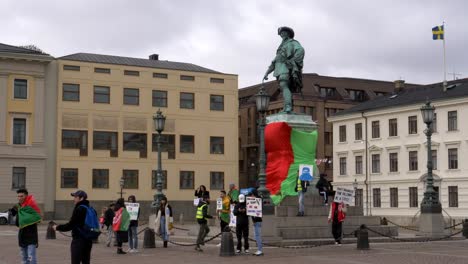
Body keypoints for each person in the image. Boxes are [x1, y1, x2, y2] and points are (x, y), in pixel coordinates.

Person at [263, 26, 305, 113]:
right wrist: (267, 72)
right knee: (284, 88)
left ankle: (288, 107)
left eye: (283, 32)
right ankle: (286, 107)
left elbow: (301, 50)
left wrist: (293, 61)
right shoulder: (281, 46)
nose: (282, 34)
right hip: (279, 69)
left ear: (288, 34)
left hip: (285, 68)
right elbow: (274, 61)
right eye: (281, 34)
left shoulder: (292, 42)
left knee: (284, 85)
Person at [53, 190, 94, 264]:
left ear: (81, 198)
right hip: (88, 239)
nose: (74, 199)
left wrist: (57, 227)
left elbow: (71, 225)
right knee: (86, 261)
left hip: (78, 240)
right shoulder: (90, 208)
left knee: (75, 261)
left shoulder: (79, 208)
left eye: (76, 197)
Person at [11, 188, 41, 264]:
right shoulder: (18, 207)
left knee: (31, 258)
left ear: (26, 196)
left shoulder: (31, 206)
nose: (19, 198)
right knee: (24, 259)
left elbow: (38, 216)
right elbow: (17, 220)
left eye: (21, 196)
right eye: (18, 196)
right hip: (22, 236)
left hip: (31, 236)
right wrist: (14, 211)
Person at [249, 190, 263, 256]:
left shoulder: (257, 201)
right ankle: (259, 249)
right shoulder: (253, 201)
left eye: (251, 195)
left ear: (254, 195)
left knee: (257, 236)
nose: (251, 197)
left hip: (257, 221)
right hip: (255, 221)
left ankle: (260, 250)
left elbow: (258, 212)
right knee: (256, 236)